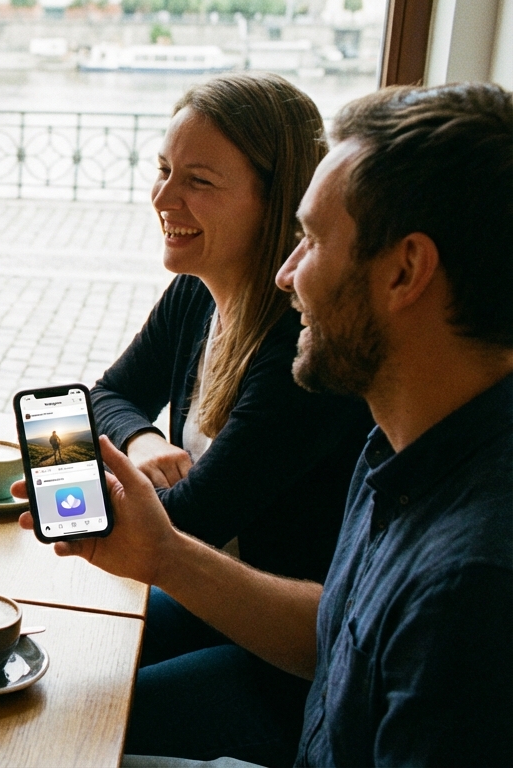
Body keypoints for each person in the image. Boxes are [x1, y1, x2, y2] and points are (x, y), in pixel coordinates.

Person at [20, 81, 513, 765]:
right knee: (42, 680)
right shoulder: (396, 446)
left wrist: (165, 546)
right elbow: (336, 640)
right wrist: (163, 553)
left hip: (276, 707)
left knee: (45, 734)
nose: (285, 274)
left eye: (310, 240)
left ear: (406, 271)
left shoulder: (471, 586)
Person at [85, 74, 374, 764]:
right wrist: (143, 435)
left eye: (199, 181)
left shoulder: (299, 352)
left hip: (283, 653)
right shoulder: (196, 294)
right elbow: (109, 393)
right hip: (214, 591)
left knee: (85, 720)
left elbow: (189, 521)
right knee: (63, 660)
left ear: (275, 201)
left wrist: (87, 496)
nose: (163, 198)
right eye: (162, 170)